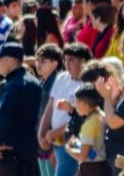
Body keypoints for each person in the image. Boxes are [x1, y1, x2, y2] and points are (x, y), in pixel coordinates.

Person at [41, 43, 92, 176]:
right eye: (65, 59)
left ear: (83, 61)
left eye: (71, 60)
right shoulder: (61, 77)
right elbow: (50, 106)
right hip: (56, 143)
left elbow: (81, 118)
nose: (67, 63)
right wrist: (42, 134)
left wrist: (52, 133)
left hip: (72, 144)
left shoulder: (87, 86)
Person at [0, 42, 43, 176]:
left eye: (0, 60)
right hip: (33, 148)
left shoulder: (11, 86)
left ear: (10, 61)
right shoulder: (35, 82)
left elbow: (5, 115)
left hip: (12, 150)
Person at [67, 83, 110, 176]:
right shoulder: (102, 115)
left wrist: (69, 149)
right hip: (104, 167)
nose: (74, 105)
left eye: (76, 101)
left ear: (83, 104)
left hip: (91, 169)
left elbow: (83, 156)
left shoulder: (90, 123)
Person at [34, 44, 64, 176]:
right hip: (41, 145)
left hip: (53, 145)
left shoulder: (58, 84)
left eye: (43, 61)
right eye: (37, 60)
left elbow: (60, 118)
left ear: (54, 64)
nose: (38, 64)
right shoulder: (42, 83)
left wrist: (55, 149)